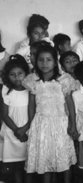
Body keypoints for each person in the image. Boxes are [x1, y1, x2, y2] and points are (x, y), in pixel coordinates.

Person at [22, 45, 77, 183]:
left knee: (63, 159)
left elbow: (70, 104)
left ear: (55, 61)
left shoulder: (64, 79)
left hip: (61, 124)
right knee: (46, 160)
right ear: (36, 61)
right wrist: (30, 125)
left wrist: (73, 124)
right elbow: (31, 106)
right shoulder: (32, 80)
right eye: (41, 60)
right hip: (41, 125)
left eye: (48, 60)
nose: (44, 63)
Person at [0, 55, 30, 183]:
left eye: (20, 73)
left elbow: (34, 112)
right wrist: (17, 130)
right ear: (7, 76)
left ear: (26, 74)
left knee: (27, 164)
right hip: (11, 132)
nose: (17, 77)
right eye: (13, 74)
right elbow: (5, 115)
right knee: (15, 165)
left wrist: (24, 129)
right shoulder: (6, 90)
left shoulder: (31, 90)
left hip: (28, 131)